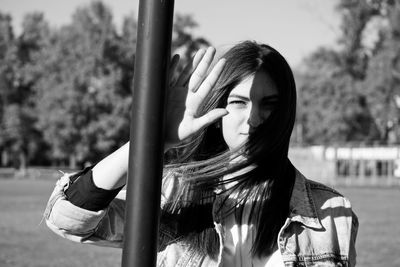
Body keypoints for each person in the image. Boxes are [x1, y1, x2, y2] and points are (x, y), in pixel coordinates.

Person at [44, 41, 358, 266]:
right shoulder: (172, 193)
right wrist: (151, 140)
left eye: (269, 104)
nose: (252, 119)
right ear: (218, 105)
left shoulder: (331, 213)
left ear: (286, 111)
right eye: (238, 102)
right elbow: (69, 218)